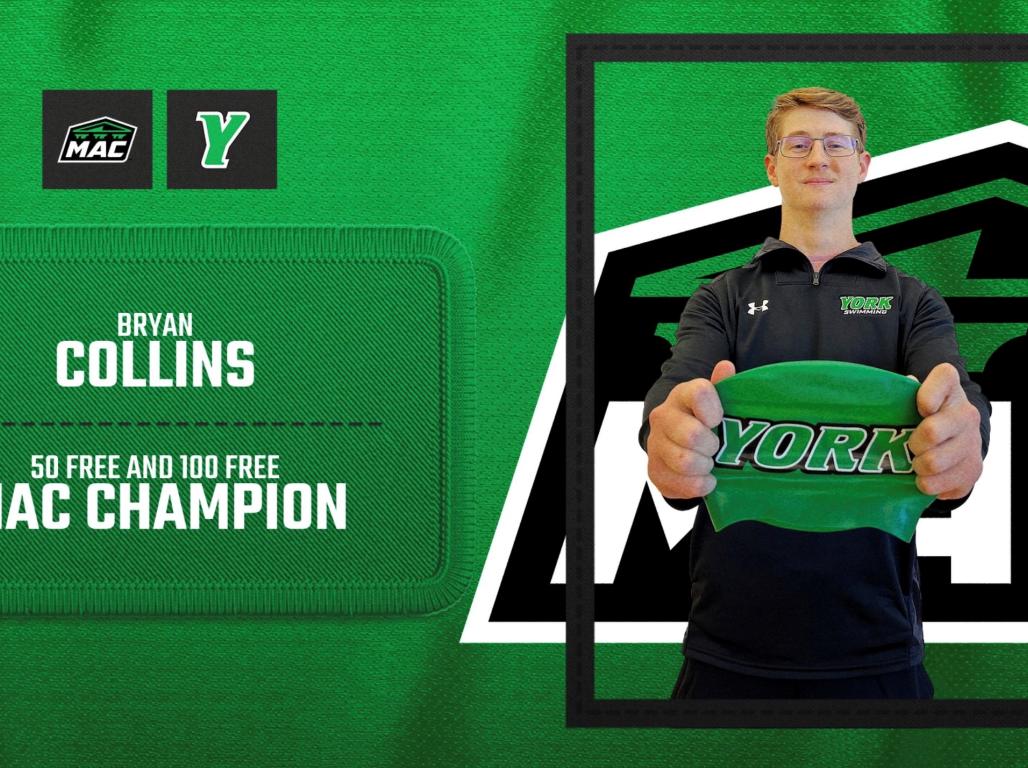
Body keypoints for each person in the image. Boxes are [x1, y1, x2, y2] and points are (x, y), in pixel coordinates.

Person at [641, 87, 991, 699]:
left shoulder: (912, 300)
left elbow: (957, 395)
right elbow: (674, 395)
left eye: (837, 144)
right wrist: (668, 434)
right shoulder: (720, 297)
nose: (818, 157)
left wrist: (966, 435)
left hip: (880, 643)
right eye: (797, 144)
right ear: (772, 166)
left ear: (863, 163)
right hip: (727, 643)